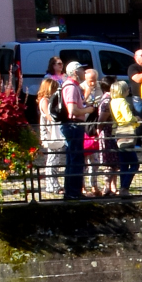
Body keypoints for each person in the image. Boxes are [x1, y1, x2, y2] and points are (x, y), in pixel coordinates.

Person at [106, 79, 139, 193]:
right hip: (126, 131)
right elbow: (128, 118)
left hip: (118, 131)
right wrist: (137, 120)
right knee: (135, 164)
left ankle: (123, 187)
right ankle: (124, 187)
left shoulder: (112, 101)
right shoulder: (122, 101)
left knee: (124, 163)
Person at [60, 65, 87, 198]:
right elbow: (73, 111)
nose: (85, 72)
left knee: (75, 159)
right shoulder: (70, 86)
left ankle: (74, 191)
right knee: (75, 159)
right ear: (76, 72)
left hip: (75, 126)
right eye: (82, 70)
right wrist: (89, 110)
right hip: (74, 126)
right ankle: (72, 192)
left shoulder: (74, 86)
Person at [36, 77, 66, 198]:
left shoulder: (45, 100)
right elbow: (49, 116)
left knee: (54, 159)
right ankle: (52, 185)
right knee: (52, 160)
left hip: (52, 133)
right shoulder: (45, 101)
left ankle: (52, 184)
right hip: (51, 133)